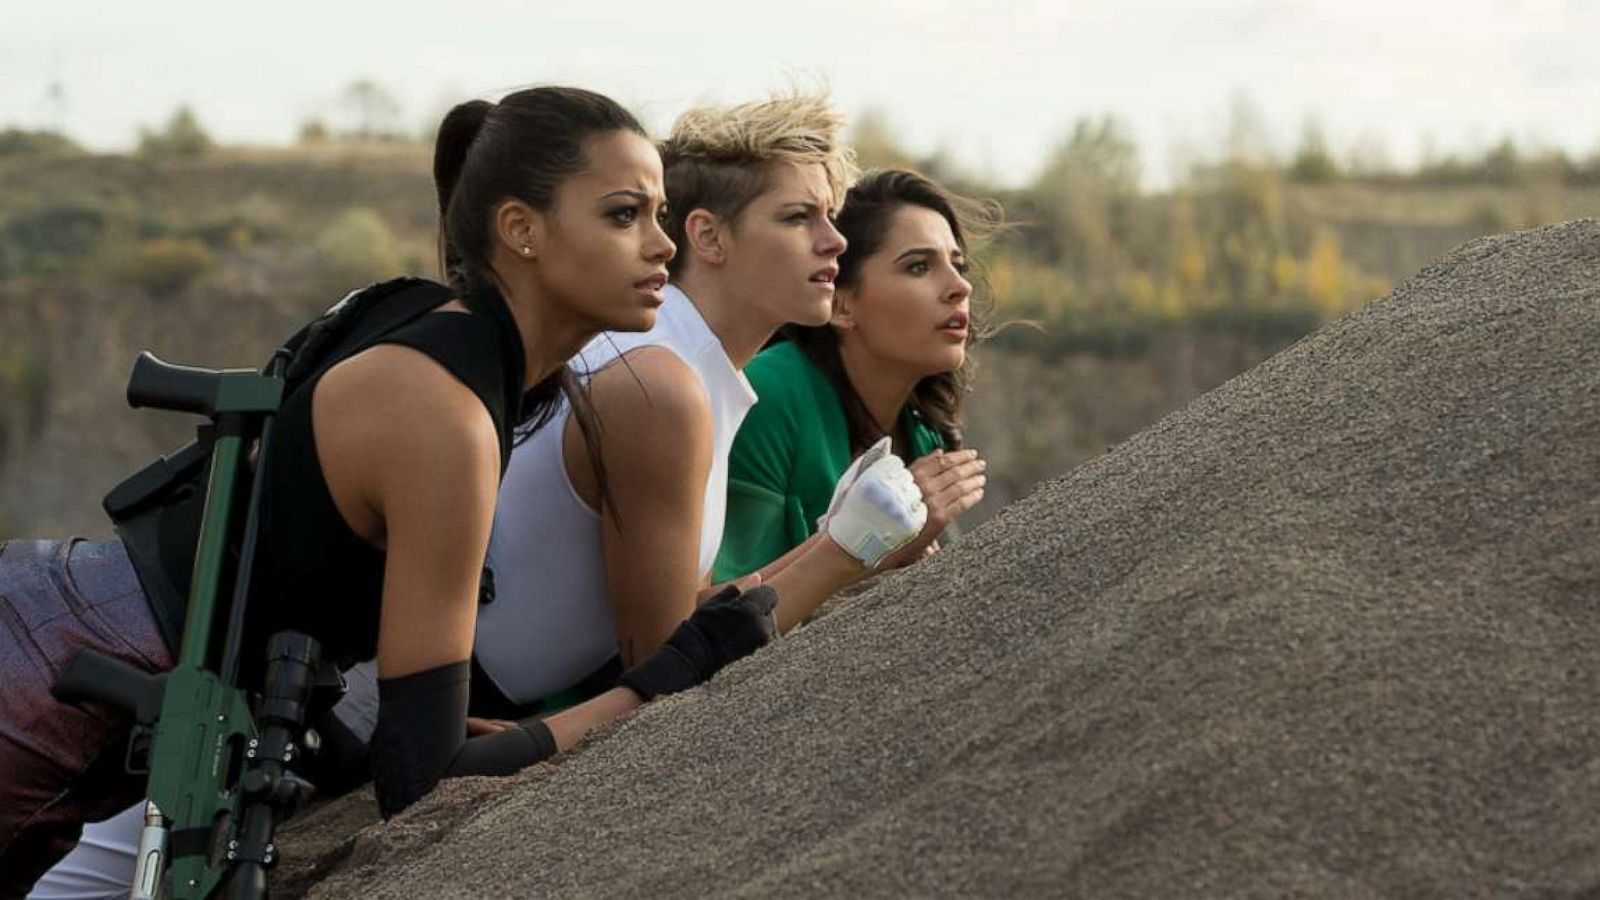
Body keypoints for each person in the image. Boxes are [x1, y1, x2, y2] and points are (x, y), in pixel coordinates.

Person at [2, 86, 776, 896]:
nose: (661, 246)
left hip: (68, 649)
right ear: (520, 231)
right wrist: (663, 678)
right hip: (52, 693)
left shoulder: (447, 334)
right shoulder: (446, 414)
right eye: (625, 215)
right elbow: (423, 781)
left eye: (659, 214)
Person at [470, 94, 931, 716]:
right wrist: (845, 552)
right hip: (384, 720)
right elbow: (665, 659)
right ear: (708, 237)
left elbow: (689, 604)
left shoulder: (680, 360)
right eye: (799, 218)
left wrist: (835, 537)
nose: (835, 242)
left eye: (831, 216)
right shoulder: (661, 383)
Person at [713, 169, 994, 582]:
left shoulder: (921, 435)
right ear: (841, 306)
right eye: (918, 267)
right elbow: (719, 622)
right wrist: (880, 538)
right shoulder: (768, 396)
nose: (959, 287)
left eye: (959, 265)